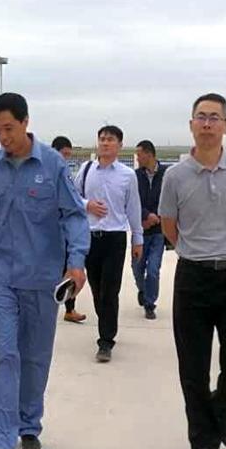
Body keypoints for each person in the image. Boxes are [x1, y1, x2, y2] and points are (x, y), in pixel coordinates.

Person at [0, 93, 89, 449]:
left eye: (8, 128)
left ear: (25, 123)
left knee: (35, 356)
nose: (3, 137)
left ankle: (29, 425)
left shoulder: (52, 165)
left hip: (42, 277)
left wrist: (76, 262)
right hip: (1, 277)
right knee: (5, 352)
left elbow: (74, 215)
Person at [159, 93, 226, 449]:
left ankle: (220, 409)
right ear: (191, 125)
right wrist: (196, 250)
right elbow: (169, 226)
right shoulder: (175, 176)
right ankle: (202, 444)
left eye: (214, 117)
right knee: (193, 367)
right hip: (193, 279)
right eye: (200, 116)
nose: (207, 123)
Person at [74, 125, 143, 363]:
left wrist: (138, 238)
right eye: (102, 139)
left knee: (110, 291)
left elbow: (133, 208)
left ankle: (105, 341)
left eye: (110, 139)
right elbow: (71, 197)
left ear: (119, 145)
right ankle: (106, 322)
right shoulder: (86, 170)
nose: (105, 143)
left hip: (115, 238)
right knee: (97, 289)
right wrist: (88, 205)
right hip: (90, 237)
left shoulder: (127, 175)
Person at [51, 135, 87, 324]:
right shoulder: (47, 173)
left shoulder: (65, 174)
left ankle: (70, 308)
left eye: (68, 155)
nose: (65, 158)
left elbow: (74, 204)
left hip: (65, 231)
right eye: (64, 154)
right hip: (50, 233)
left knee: (69, 270)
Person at [132, 140, 169, 320]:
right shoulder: (135, 176)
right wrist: (145, 216)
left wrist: (157, 218)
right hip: (140, 230)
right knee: (137, 268)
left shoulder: (167, 174)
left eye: (139, 155)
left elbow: (171, 199)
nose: (137, 158)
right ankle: (142, 290)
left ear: (149, 154)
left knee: (153, 269)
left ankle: (149, 304)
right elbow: (132, 201)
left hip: (159, 231)